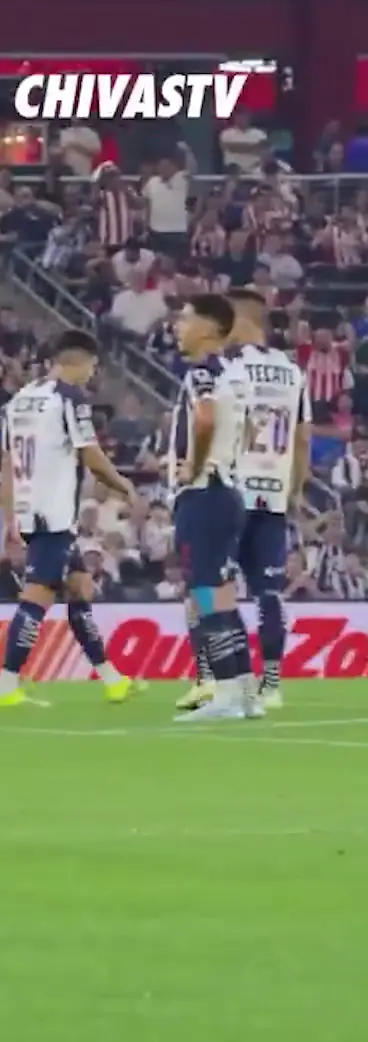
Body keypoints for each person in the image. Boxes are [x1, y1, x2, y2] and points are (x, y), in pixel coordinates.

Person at [0, 330, 142, 708]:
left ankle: (112, 679)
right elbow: (90, 454)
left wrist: (8, 516)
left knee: (78, 587)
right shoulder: (69, 398)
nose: (92, 374)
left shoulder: (19, 400)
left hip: (32, 510)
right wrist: (124, 486)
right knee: (37, 597)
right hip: (54, 514)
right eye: (92, 366)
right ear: (82, 361)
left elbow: (7, 463)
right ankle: (6, 684)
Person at [170, 295, 263, 723]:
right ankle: (244, 693)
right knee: (221, 594)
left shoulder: (202, 372)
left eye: (185, 318)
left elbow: (205, 419)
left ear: (208, 328)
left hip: (204, 493)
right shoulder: (236, 374)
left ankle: (225, 694)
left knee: (206, 593)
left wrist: (194, 465)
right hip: (228, 491)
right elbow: (252, 430)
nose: (177, 325)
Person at [226, 288, 310, 712]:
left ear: (241, 320)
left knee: (212, 590)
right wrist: (295, 489)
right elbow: (302, 439)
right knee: (269, 594)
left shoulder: (229, 368)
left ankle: (220, 679)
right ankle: (271, 685)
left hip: (230, 495)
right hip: (273, 497)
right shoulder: (293, 373)